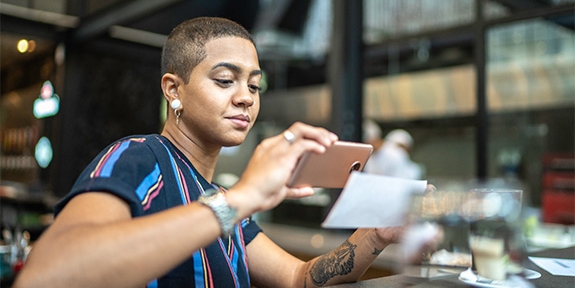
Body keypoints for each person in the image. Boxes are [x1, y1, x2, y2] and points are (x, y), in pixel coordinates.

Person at [14, 17, 419, 288]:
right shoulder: (140, 157)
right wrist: (242, 198)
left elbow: (299, 277)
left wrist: (377, 235)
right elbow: (46, 275)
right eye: (225, 80)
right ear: (174, 89)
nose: (245, 97)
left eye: (255, 85)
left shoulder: (214, 199)